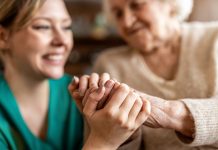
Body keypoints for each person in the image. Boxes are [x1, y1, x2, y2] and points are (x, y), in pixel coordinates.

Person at [0, 0, 151, 149]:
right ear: (3, 37)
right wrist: (103, 142)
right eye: (43, 26)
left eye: (67, 27)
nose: (62, 41)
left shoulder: (83, 95)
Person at [93, 0, 218, 149]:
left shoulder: (214, 38)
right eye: (118, 14)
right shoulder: (110, 65)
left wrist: (169, 113)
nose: (126, 22)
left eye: (136, 5)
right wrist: (124, 132)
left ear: (170, 4)